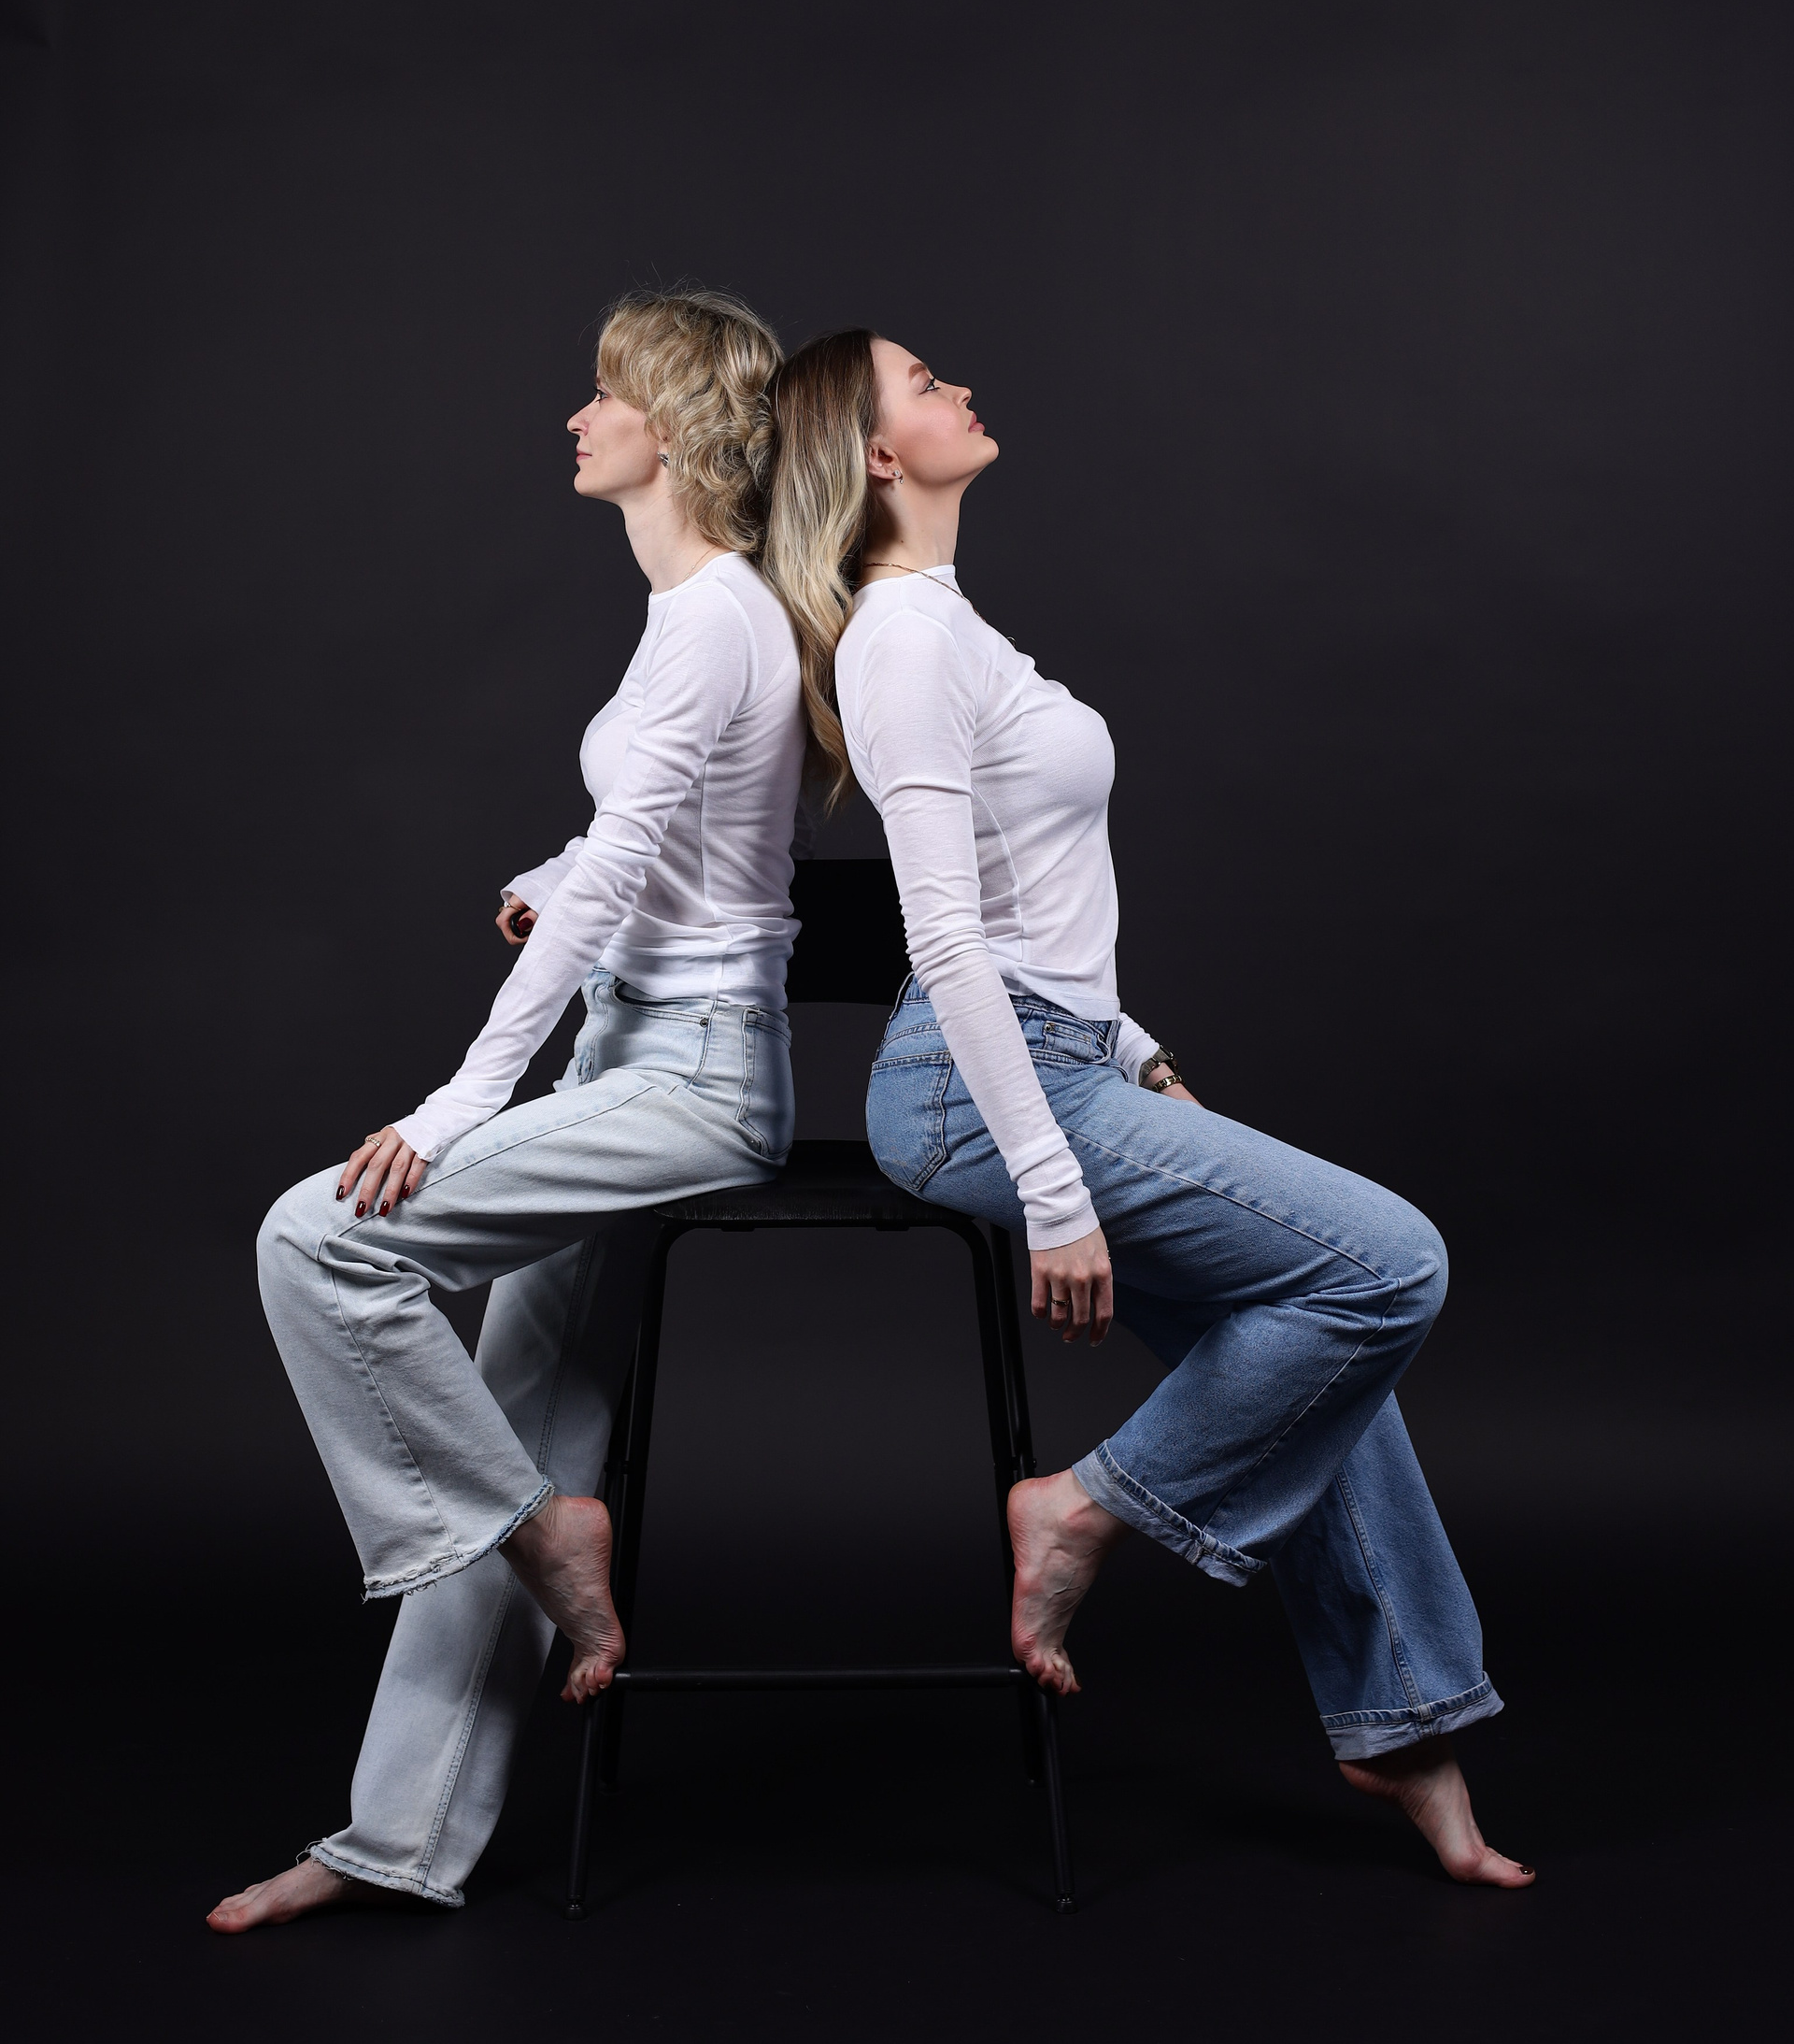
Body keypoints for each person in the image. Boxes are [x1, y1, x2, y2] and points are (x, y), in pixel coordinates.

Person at [760, 329, 1533, 1889]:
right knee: (1390, 1265)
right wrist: (1055, 1188)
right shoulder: (902, 640)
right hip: (974, 1090)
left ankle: (1404, 1726)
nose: (957, 387)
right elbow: (948, 942)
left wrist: (1135, 1050)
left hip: (1062, 1058)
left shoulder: (952, 625)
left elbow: (1036, 906)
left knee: (1317, 1357)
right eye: (923, 382)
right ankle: (1084, 1510)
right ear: (880, 453)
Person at [210, 289, 807, 1930]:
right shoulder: (698, 613)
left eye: (606, 394)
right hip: (637, 1049)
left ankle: (545, 1538)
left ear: (672, 430)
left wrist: (458, 1106)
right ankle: (398, 1841)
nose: (577, 417)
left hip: (688, 1077)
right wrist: (553, 874)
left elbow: (636, 872)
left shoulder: (713, 618)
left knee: (318, 1241)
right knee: (505, 1410)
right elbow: (661, 842)